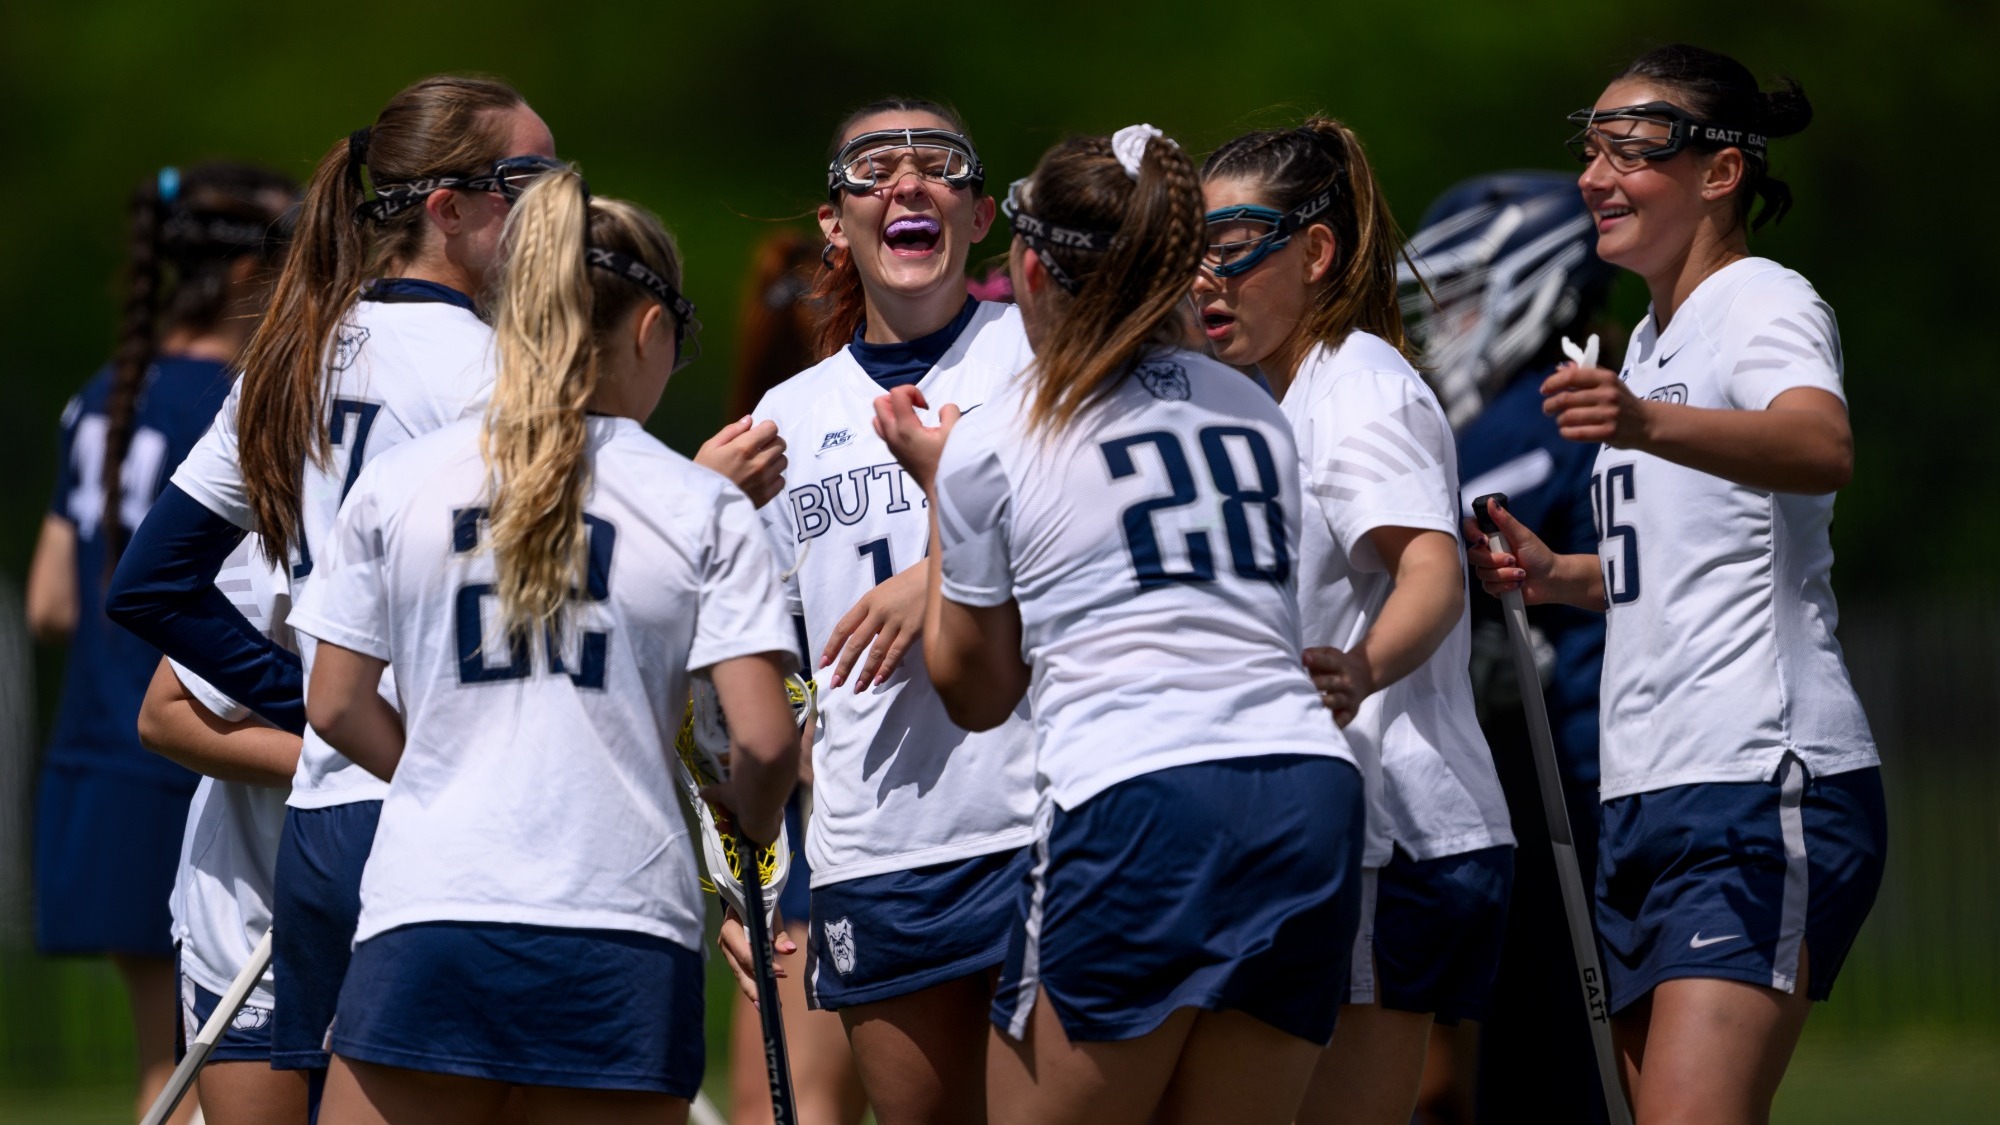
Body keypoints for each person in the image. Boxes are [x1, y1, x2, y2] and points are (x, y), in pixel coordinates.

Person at [106, 76, 779, 1098]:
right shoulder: (492, 376)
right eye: (532, 178)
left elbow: (152, 585)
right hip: (456, 820)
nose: (559, 201)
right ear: (445, 208)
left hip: (322, 819)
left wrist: (322, 704)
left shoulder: (291, 356)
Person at [877, 124, 1366, 1125]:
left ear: (1027, 268)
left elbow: (976, 692)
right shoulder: (1250, 409)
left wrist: (941, 496)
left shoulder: (997, 438)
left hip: (1137, 799)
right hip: (1305, 797)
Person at [290, 169, 798, 1125]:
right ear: (650, 330)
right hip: (619, 931)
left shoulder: (398, 482)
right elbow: (765, 744)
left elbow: (333, 704)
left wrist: (445, 769)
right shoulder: (701, 503)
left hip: (429, 911)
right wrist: (751, 823)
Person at [1468, 43, 1886, 1122]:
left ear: (1719, 172)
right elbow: (1688, 565)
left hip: (1756, 778)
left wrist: (1643, 423)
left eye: (1632, 146)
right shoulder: (1650, 341)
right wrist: (1561, 576)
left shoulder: (1755, 299)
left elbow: (1817, 441)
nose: (1594, 174)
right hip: (1646, 795)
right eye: (1588, 145)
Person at [722, 98, 1039, 1125]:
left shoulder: (1045, 362)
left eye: (937, 164)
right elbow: (756, 661)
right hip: (879, 846)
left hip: (1042, 821)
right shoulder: (786, 417)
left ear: (980, 214)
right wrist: (752, 861)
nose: (906, 182)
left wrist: (945, 568)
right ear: (833, 222)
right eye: (871, 167)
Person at [1193, 118, 1515, 1125]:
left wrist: (1358, 669)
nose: (1205, 276)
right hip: (1337, 828)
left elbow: (1427, 569)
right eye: (1190, 249)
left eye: (1232, 245)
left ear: (1317, 252)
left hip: (1395, 826)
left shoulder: (1360, 390)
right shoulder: (1281, 397)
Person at [25, 159, 295, 1124]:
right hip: (195, 752)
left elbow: (52, 603)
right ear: (241, 277)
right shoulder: (241, 399)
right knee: (201, 1075)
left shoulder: (102, 393)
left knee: (167, 1060)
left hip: (92, 758)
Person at [1397, 170, 1618, 1124]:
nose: (1439, 329)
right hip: (1564, 780)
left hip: (1578, 785)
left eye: (1460, 303)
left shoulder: (1532, 419)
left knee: (1549, 1063)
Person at [723, 228, 869, 1125]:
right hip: (822, 821)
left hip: (816, 818)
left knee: (787, 1106)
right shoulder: (759, 452)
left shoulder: (736, 454)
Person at [137, 539, 305, 1125]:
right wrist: (344, 761)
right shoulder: (281, 533)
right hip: (253, 907)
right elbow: (165, 713)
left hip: (422, 911)